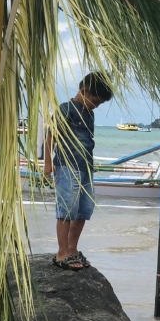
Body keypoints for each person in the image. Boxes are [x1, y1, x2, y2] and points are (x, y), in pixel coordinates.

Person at [44, 72, 114, 271]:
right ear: (83, 91)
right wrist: (48, 164)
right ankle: (62, 252)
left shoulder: (89, 113)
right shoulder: (67, 110)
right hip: (67, 166)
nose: (96, 105)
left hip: (85, 168)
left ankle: (73, 249)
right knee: (66, 210)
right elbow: (51, 136)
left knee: (83, 210)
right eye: (95, 100)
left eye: (100, 103)